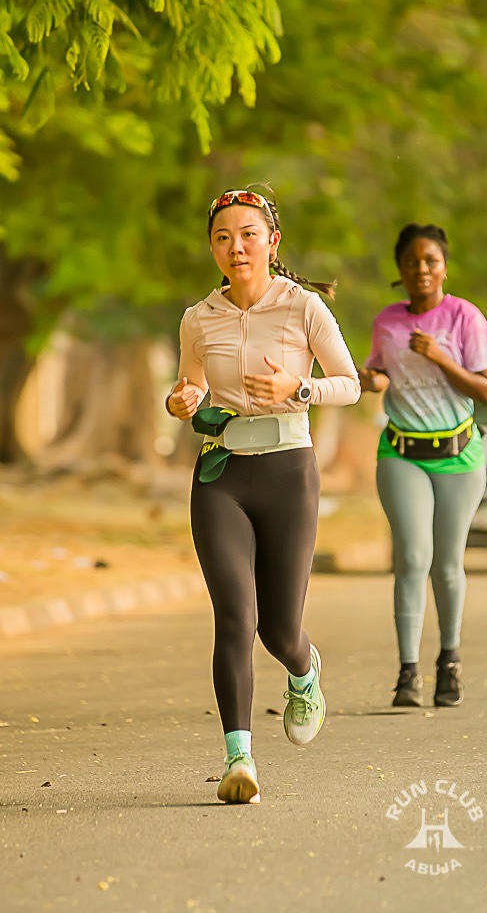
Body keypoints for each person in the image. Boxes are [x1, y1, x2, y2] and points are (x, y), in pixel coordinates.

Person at [165, 186, 360, 804]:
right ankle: (239, 758)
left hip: (288, 474)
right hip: (220, 476)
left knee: (278, 629)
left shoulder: (303, 307)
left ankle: (304, 670)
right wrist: (181, 400)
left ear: (272, 242)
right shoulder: (198, 318)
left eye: (248, 235)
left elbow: (350, 384)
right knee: (235, 615)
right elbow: (191, 389)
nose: (236, 247)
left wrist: (298, 389)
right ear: (212, 249)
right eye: (223, 238)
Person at [359, 224, 487, 708]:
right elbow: (381, 373)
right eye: (411, 261)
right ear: (399, 269)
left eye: (430, 261)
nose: (421, 269)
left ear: (444, 267)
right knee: (412, 558)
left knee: (446, 564)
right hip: (402, 454)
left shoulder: (464, 317)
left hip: (459, 456)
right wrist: (370, 379)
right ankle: (408, 672)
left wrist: (439, 357)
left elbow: (486, 391)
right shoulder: (387, 322)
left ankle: (449, 662)